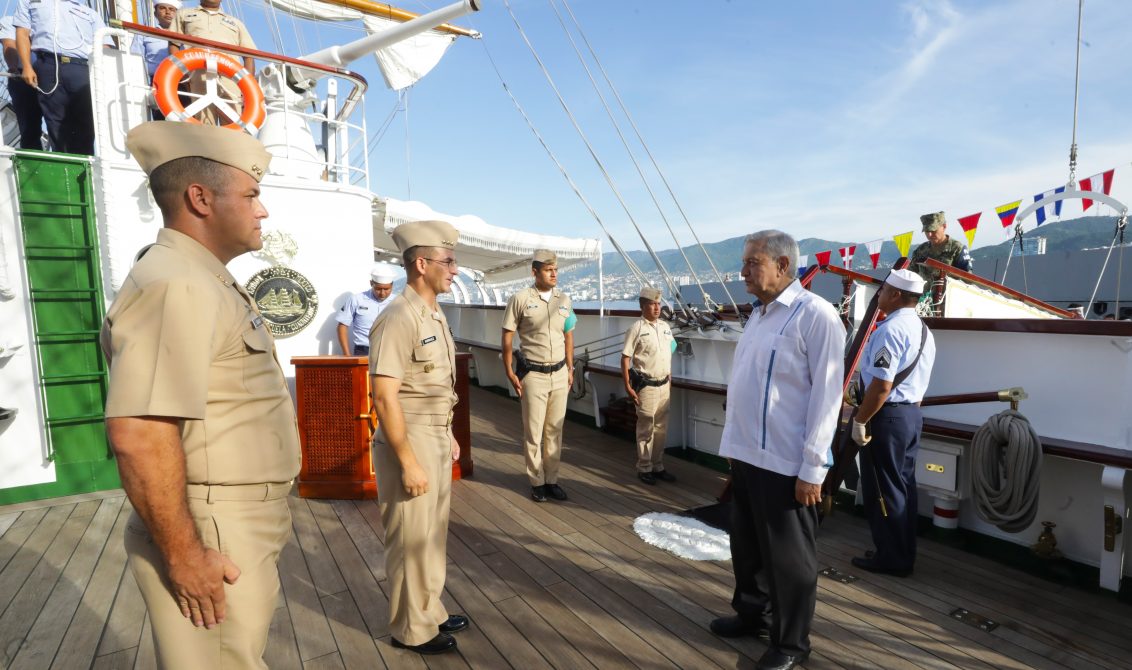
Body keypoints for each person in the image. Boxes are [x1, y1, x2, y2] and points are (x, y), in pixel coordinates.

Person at [101, 121, 299, 669]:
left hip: (230, 520)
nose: (262, 211)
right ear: (200, 198)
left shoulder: (200, 277)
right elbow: (139, 434)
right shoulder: (177, 282)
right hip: (212, 525)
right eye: (252, 195)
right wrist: (186, 555)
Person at [709, 230, 845, 670]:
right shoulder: (759, 316)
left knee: (790, 562)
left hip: (787, 464)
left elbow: (827, 399)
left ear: (783, 266)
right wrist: (732, 447)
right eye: (745, 263)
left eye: (753, 263)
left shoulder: (816, 317)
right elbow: (746, 385)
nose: (744, 271)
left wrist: (813, 469)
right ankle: (753, 615)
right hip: (748, 456)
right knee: (746, 548)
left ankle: (790, 644)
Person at [368, 219, 468, 655]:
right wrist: (408, 461)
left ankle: (430, 608)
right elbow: (385, 397)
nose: (455, 269)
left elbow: (433, 385)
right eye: (448, 261)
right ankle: (411, 629)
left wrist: (447, 436)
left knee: (432, 533)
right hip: (407, 440)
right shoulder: (397, 316)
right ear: (421, 263)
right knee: (411, 537)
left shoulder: (431, 312)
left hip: (433, 437)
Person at [850, 269, 936, 577]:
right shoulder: (923, 330)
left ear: (896, 295)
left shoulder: (889, 331)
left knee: (883, 489)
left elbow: (882, 386)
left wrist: (861, 420)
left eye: (883, 289)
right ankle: (899, 551)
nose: (880, 294)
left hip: (885, 416)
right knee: (903, 487)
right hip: (910, 415)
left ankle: (891, 558)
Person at [501, 249, 576, 503]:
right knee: (533, 432)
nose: (554, 273)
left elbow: (568, 334)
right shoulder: (520, 299)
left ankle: (552, 480)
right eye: (548, 269)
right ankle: (537, 482)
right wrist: (509, 370)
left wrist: (570, 367)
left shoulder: (564, 300)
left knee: (555, 431)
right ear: (535, 272)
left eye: (556, 269)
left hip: (559, 372)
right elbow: (507, 335)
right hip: (533, 374)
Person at [13, 0, 106, 155]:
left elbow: (105, 45)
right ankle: (65, 167)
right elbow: (22, 33)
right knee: (56, 122)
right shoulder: (29, 2)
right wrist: (27, 66)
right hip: (48, 64)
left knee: (87, 123)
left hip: (83, 67)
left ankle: (85, 169)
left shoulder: (90, 13)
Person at [621, 286, 677, 485]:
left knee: (661, 428)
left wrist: (669, 379)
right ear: (643, 306)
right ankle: (644, 467)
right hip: (646, 386)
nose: (657, 307)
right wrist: (628, 385)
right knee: (646, 427)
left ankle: (658, 465)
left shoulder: (664, 327)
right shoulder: (636, 328)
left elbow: (668, 353)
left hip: (663, 385)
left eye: (658, 304)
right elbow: (626, 358)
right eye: (652, 304)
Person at [169, 0, 256, 125]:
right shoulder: (184, 14)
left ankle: (230, 144)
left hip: (231, 79)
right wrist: (181, 74)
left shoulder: (236, 23)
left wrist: (247, 87)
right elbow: (173, 44)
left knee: (233, 120)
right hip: (198, 75)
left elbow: (249, 55)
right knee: (204, 119)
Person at [0, 14, 43, 149]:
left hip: (53, 75)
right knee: (29, 128)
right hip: (22, 77)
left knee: (60, 124)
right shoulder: (10, 21)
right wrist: (14, 68)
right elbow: (9, 44)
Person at [336, 262, 397, 356]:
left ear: (392, 285)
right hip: (363, 351)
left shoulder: (398, 302)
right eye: (378, 289)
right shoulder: (356, 299)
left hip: (391, 351)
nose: (382, 293)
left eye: (386, 289)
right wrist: (347, 355)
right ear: (371, 283)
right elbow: (342, 326)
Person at [910, 211, 973, 285]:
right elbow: (911, 274)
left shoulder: (957, 249)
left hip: (948, 295)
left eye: (933, 230)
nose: (930, 235)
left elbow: (968, 280)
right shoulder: (920, 250)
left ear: (944, 226)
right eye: (927, 231)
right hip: (923, 295)